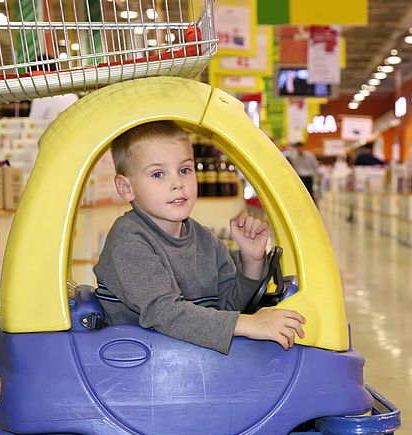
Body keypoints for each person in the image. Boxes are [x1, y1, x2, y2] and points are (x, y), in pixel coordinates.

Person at [94, 120, 306, 354]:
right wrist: (248, 324)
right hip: (134, 371)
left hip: (187, 364)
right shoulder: (129, 242)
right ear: (126, 188)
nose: (177, 184)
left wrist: (252, 260)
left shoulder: (205, 240)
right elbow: (163, 313)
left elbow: (227, 307)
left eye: (185, 170)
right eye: (158, 174)